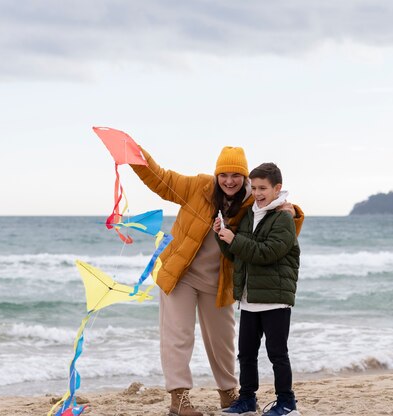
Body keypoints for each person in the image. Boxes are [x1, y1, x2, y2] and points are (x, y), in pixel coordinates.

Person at [130, 146, 304, 416]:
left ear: (245, 178)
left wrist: (292, 212)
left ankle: (228, 392)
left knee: (224, 340)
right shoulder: (198, 186)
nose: (230, 181)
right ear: (216, 174)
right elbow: (160, 179)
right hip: (181, 274)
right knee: (179, 335)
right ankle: (179, 397)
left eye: (237, 175)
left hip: (220, 280)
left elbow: (276, 231)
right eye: (224, 174)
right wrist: (137, 158)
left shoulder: (250, 200)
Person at [215, 162, 301, 416]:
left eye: (263, 188)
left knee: (277, 354)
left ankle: (286, 403)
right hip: (249, 298)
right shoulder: (251, 214)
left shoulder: (284, 218)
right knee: (246, 355)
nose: (258, 193)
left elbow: (267, 253)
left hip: (275, 299)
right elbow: (238, 256)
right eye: (254, 188)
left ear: (277, 188)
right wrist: (222, 237)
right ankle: (247, 400)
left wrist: (235, 239)